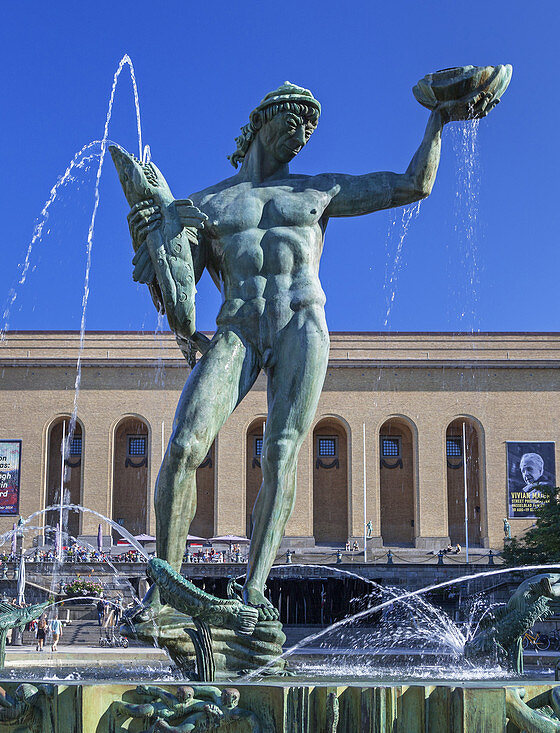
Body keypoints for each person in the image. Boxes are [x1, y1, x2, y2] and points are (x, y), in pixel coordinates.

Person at [125, 80, 487, 626]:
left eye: (310, 129)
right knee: (183, 445)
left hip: (302, 321)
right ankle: (163, 591)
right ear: (263, 121)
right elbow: (176, 288)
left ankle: (253, 589)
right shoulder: (205, 204)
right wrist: (152, 237)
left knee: (282, 449)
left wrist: (438, 122)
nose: (302, 137)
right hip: (238, 327)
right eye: (294, 123)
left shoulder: (319, 191)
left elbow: (413, 185)